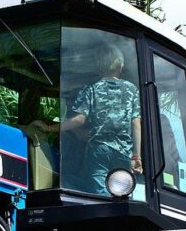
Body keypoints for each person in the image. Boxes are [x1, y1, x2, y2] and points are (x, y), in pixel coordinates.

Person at [61, 43, 142, 194]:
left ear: (99, 68)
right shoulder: (132, 89)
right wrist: (137, 156)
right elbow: (136, 123)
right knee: (122, 191)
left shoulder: (92, 87)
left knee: (102, 194)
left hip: (98, 151)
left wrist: (53, 127)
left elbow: (79, 119)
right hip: (123, 152)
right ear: (120, 67)